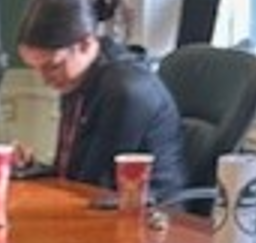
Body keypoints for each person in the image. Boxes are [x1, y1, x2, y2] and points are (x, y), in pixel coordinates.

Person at [15, 0, 186, 203]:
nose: (44, 80)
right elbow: (74, 175)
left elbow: (96, 183)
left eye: (52, 66)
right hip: (100, 205)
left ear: (86, 44)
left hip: (155, 219)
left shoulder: (125, 91)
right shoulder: (76, 79)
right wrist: (31, 168)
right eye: (36, 68)